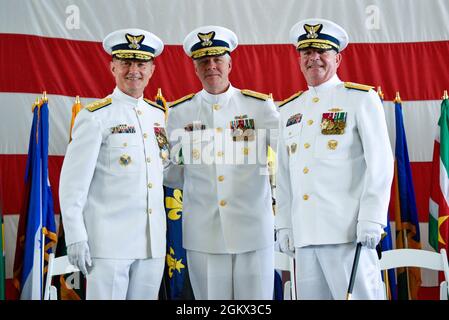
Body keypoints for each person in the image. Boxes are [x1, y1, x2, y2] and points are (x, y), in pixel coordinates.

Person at [275, 18, 394, 299]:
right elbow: (283, 173)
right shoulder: (289, 109)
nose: (313, 58)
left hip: (347, 233)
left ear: (337, 58)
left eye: (321, 52)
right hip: (304, 235)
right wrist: (285, 224)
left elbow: (381, 163)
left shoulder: (360, 99)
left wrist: (372, 218)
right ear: (299, 59)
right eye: (306, 52)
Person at [164, 25, 279, 299]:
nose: (211, 66)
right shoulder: (180, 113)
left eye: (217, 60)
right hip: (204, 233)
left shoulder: (258, 107)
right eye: (203, 61)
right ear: (195, 68)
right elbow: (172, 172)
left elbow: (286, 159)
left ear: (230, 63)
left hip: (252, 229)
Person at [59, 28, 168, 300]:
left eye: (141, 64)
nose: (134, 70)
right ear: (113, 67)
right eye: (126, 63)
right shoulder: (95, 117)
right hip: (108, 244)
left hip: (152, 243)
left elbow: (163, 171)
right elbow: (73, 184)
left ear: (152, 69)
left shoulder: (158, 116)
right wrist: (75, 236)